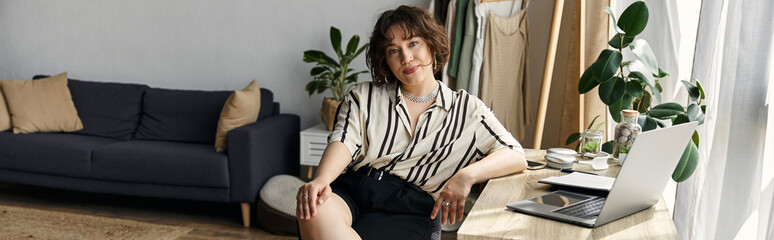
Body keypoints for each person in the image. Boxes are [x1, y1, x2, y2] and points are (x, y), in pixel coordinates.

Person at [297, 5, 527, 240]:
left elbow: (515, 154)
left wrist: (465, 177)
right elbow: (343, 140)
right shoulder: (363, 96)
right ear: (385, 60)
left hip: (412, 209)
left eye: (413, 43)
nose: (406, 58)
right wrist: (321, 180)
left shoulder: (468, 110)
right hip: (355, 191)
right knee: (315, 208)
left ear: (431, 44)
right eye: (393, 50)